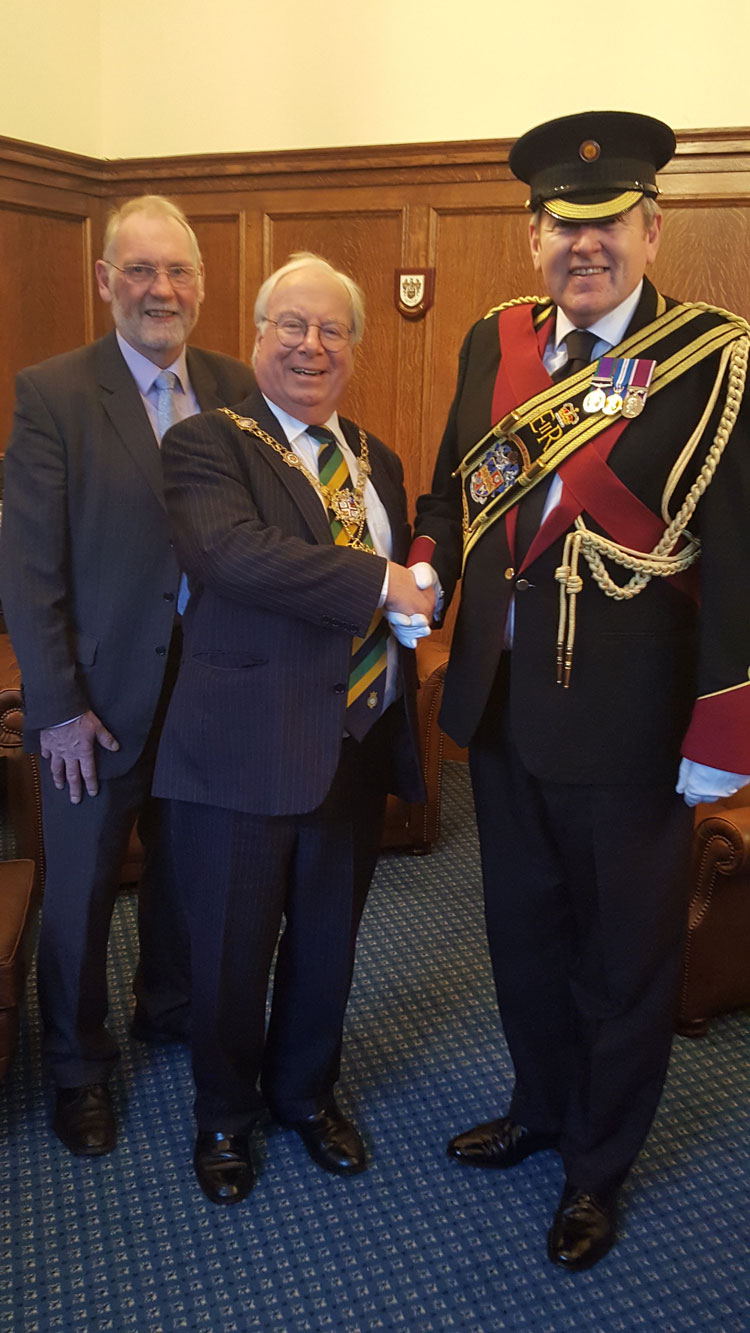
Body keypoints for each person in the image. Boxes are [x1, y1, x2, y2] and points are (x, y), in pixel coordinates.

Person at [411, 111, 750, 1270]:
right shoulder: (492, 342)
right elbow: (460, 488)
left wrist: (724, 723)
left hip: (637, 731)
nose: (586, 244)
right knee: (524, 936)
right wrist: (428, 562)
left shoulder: (715, 361)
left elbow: (742, 553)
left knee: (624, 962)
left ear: (654, 229)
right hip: (505, 713)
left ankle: (597, 1169)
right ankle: (541, 1109)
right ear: (532, 235)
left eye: (610, 223)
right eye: (564, 224)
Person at [151, 252, 435, 1206]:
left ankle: (305, 1094)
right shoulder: (205, 444)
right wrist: (380, 582)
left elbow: (412, 559)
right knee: (232, 950)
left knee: (327, 944)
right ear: (258, 334)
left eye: (333, 331)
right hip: (241, 746)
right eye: (293, 327)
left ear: (352, 347)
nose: (312, 347)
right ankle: (224, 1116)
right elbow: (233, 555)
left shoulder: (376, 455)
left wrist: (426, 580)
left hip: (354, 740)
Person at [0, 195, 255, 1157]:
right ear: (105, 281)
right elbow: (27, 566)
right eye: (138, 270)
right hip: (95, 708)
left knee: (190, 879)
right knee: (80, 891)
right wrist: (58, 708)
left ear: (201, 282)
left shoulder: (236, 386)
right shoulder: (56, 392)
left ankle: (167, 1010)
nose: (160, 288)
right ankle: (76, 1066)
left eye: (177, 270)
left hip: (212, 701)